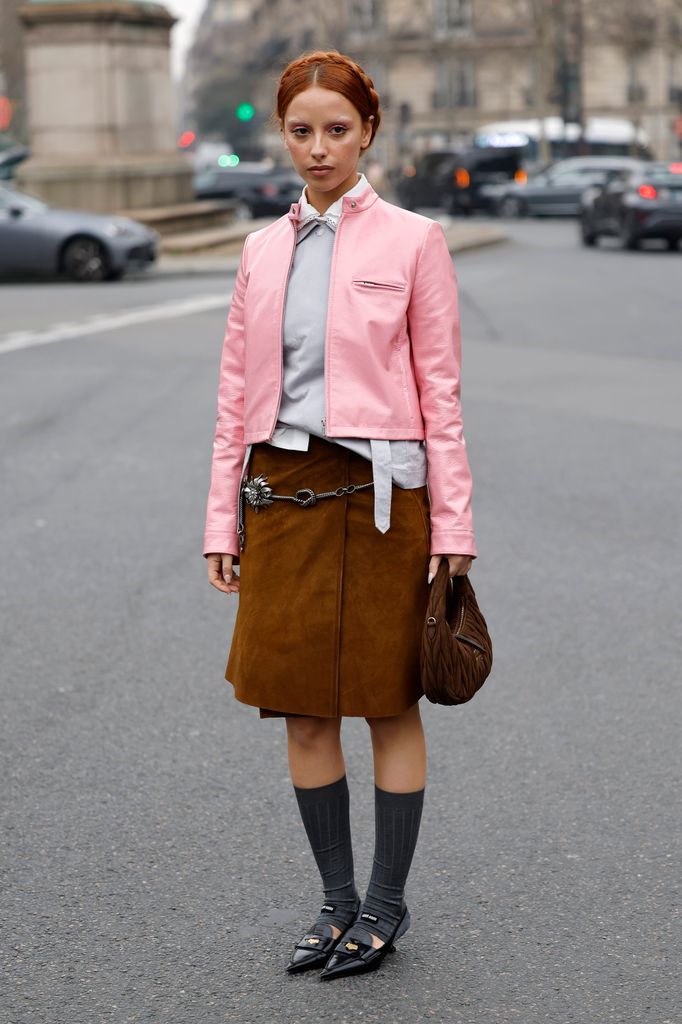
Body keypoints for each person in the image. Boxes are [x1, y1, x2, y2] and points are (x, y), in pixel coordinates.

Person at [203, 49, 477, 979]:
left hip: (383, 502)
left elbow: (440, 395)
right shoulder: (259, 248)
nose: (318, 148)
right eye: (301, 130)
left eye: (337, 130)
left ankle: (386, 906)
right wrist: (220, 523)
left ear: (369, 133)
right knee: (303, 712)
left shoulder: (413, 241)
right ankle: (335, 904)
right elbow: (236, 397)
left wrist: (455, 532)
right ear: (283, 133)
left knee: (387, 703)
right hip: (281, 499)